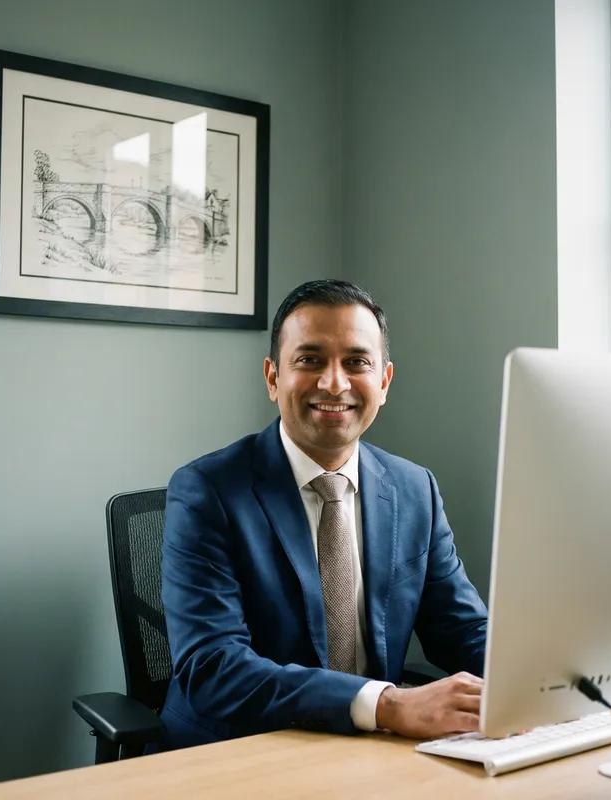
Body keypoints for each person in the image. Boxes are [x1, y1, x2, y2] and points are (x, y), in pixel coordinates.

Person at [160, 279, 488, 748]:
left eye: (357, 362)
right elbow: (212, 668)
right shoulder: (206, 491)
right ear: (273, 378)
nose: (334, 383)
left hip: (372, 752)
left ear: (384, 382)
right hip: (242, 750)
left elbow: (460, 629)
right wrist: (387, 704)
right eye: (309, 360)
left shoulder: (415, 489)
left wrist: (538, 680)